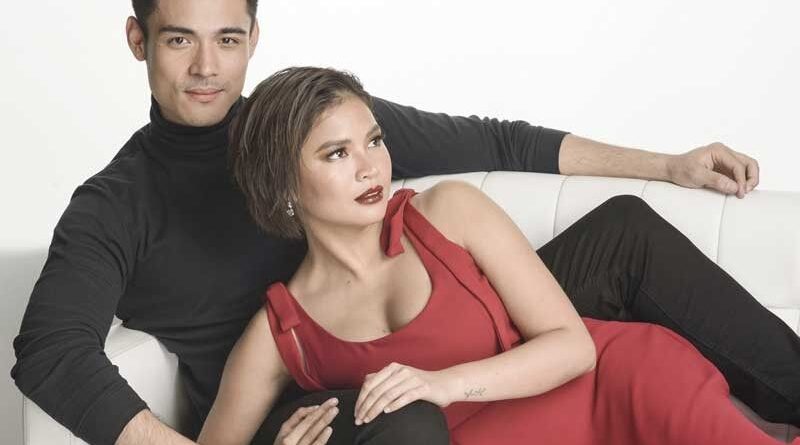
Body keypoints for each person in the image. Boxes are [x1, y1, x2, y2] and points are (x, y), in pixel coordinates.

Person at [9, 0, 798, 444]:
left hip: (422, 321)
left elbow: (493, 141)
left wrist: (666, 164)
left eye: (228, 39)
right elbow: (50, 348)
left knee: (625, 232)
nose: (207, 67)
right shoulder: (117, 203)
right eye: (180, 39)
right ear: (138, 38)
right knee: (405, 418)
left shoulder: (310, 117)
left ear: (254, 39)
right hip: (317, 400)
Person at [199, 65, 798, 445]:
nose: (370, 167)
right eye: (336, 153)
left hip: (614, 389)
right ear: (282, 184)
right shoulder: (278, 336)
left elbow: (574, 346)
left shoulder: (447, 212)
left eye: (374, 141)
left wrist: (445, 385)